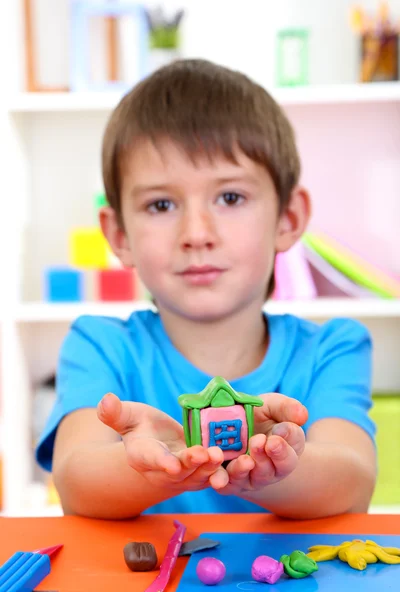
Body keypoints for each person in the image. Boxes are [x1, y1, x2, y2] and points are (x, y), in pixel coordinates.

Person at [35, 59, 377, 520]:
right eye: (161, 204)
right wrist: (166, 462)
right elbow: (76, 481)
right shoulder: (100, 346)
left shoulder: (333, 348)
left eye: (230, 198)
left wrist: (270, 465)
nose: (196, 233)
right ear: (118, 236)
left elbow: (352, 483)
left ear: (288, 219)